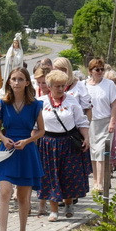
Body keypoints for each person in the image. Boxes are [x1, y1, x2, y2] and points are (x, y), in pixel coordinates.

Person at [0, 66, 43, 231]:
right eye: (13, 79)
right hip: (7, 151)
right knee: (5, 191)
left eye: (20, 79)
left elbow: (42, 130)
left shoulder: (35, 105)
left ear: (27, 82)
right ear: (9, 82)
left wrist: (27, 141)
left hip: (26, 152)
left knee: (22, 196)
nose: (16, 82)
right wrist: (3, 138)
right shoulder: (3, 103)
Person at [36, 69, 89, 218]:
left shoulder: (71, 101)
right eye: (57, 86)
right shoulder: (41, 102)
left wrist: (86, 137)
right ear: (49, 86)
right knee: (50, 176)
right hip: (48, 143)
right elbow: (35, 125)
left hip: (68, 143)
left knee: (68, 175)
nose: (61, 89)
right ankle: (54, 210)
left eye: (63, 86)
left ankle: (68, 203)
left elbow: (81, 122)